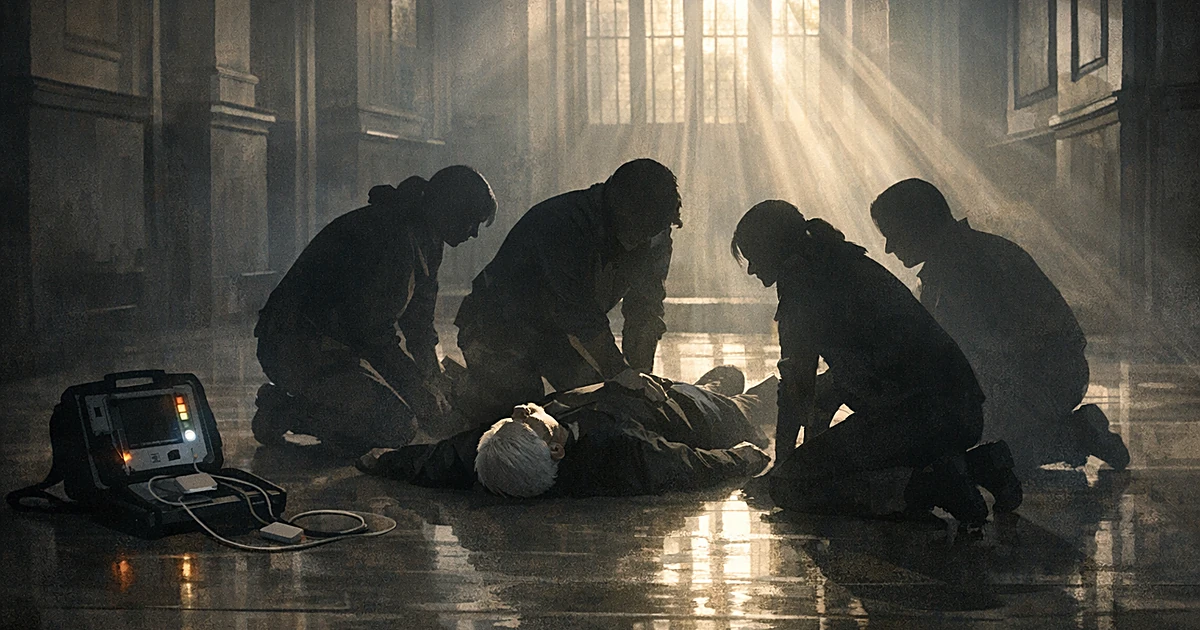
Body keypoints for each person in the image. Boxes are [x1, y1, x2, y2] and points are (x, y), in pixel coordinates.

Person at [730, 200, 1021, 529]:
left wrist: (783, 467)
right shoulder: (844, 263)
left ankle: (931, 488)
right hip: (963, 416)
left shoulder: (802, 282)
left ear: (772, 247)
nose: (752, 270)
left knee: (791, 488)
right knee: (829, 459)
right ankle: (981, 466)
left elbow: (797, 385)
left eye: (753, 256)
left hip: (917, 423)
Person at [870, 179, 1129, 473]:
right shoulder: (962, 257)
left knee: (968, 454)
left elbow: (967, 354)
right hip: (1040, 375)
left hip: (1043, 379)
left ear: (919, 223)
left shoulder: (966, 269)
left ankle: (1076, 436)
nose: (889, 248)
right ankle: (1072, 432)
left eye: (894, 234)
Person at [251, 166, 497, 455]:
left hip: (336, 346)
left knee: (411, 406)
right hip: (293, 346)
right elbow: (372, 335)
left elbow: (419, 322)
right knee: (395, 424)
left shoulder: (427, 236)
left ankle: (318, 404)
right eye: (471, 221)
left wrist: (434, 377)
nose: (474, 233)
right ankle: (283, 411)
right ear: (450, 208)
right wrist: (419, 388)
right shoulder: (391, 235)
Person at [452, 159, 682, 423]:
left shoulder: (654, 234)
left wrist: (640, 375)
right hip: (495, 327)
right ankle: (463, 398)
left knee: (604, 407)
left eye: (653, 230)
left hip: (556, 335)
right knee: (519, 416)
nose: (643, 238)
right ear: (617, 207)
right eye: (638, 228)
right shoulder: (563, 223)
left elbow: (645, 309)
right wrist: (619, 371)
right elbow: (579, 312)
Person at [356, 367, 774, 498]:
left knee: (717, 383)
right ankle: (731, 393)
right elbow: (690, 464)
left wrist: (383, 460)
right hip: (685, 414)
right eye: (527, 421)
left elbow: (439, 459)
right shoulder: (622, 453)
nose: (520, 410)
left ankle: (715, 385)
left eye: (511, 419)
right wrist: (744, 456)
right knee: (748, 405)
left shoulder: (493, 454)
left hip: (627, 390)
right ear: (556, 450)